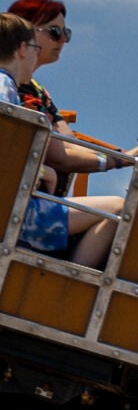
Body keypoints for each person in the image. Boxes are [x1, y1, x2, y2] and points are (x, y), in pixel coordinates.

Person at [2, 14, 126, 266]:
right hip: (18, 214)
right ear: (23, 49)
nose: (37, 56)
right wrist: (42, 170)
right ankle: (67, 283)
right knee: (118, 209)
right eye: (35, 48)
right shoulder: (5, 88)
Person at [5, 0, 72, 128]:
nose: (63, 39)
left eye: (66, 33)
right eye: (55, 32)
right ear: (23, 31)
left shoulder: (38, 91)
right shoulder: (5, 82)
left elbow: (66, 137)